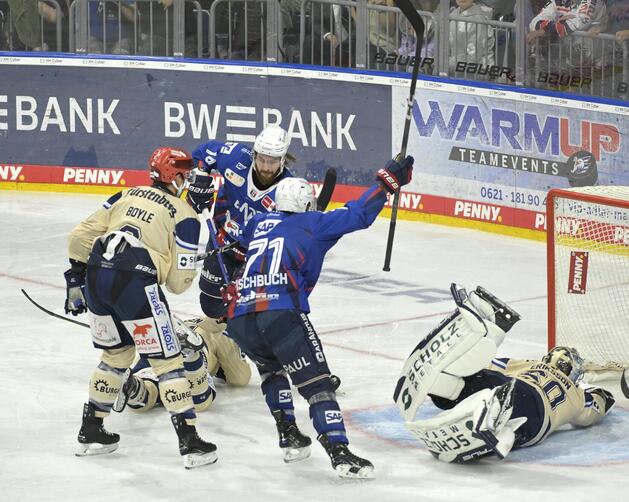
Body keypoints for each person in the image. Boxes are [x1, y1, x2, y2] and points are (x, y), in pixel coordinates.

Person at [224, 154, 414, 478]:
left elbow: (233, 253)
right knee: (318, 385)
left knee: (271, 369)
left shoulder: (258, 223)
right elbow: (359, 214)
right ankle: (339, 452)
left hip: (240, 316)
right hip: (280, 312)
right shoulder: (315, 224)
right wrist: (387, 182)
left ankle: (289, 435)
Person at [65, 147, 218, 469]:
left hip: (96, 277)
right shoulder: (184, 213)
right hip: (135, 283)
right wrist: (180, 259)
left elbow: (79, 237)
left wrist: (75, 278)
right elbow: (179, 284)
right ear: (171, 175)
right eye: (183, 174)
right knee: (168, 362)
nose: (186, 179)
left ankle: (92, 430)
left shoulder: (124, 194)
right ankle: (190, 442)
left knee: (116, 356)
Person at [395, 283, 615, 463]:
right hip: (535, 415)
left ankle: (443, 384)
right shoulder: (576, 395)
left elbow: (491, 363)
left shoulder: (529, 364)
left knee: (473, 380)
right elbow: (594, 409)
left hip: (509, 385)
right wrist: (603, 396)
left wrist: (465, 372)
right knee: (510, 404)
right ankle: (492, 418)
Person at [188, 125, 295, 321]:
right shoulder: (236, 157)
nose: (265, 167)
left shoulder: (288, 190)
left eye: (272, 162)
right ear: (254, 154)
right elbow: (203, 153)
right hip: (221, 241)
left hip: (255, 257)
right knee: (211, 305)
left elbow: (292, 233)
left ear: (282, 160)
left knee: (250, 310)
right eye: (261, 158)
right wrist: (200, 178)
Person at [113, 316, 252, 413]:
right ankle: (191, 356)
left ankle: (132, 386)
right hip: (194, 357)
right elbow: (240, 378)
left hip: (156, 351)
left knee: (149, 393)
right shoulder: (223, 328)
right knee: (200, 403)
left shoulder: (194, 320)